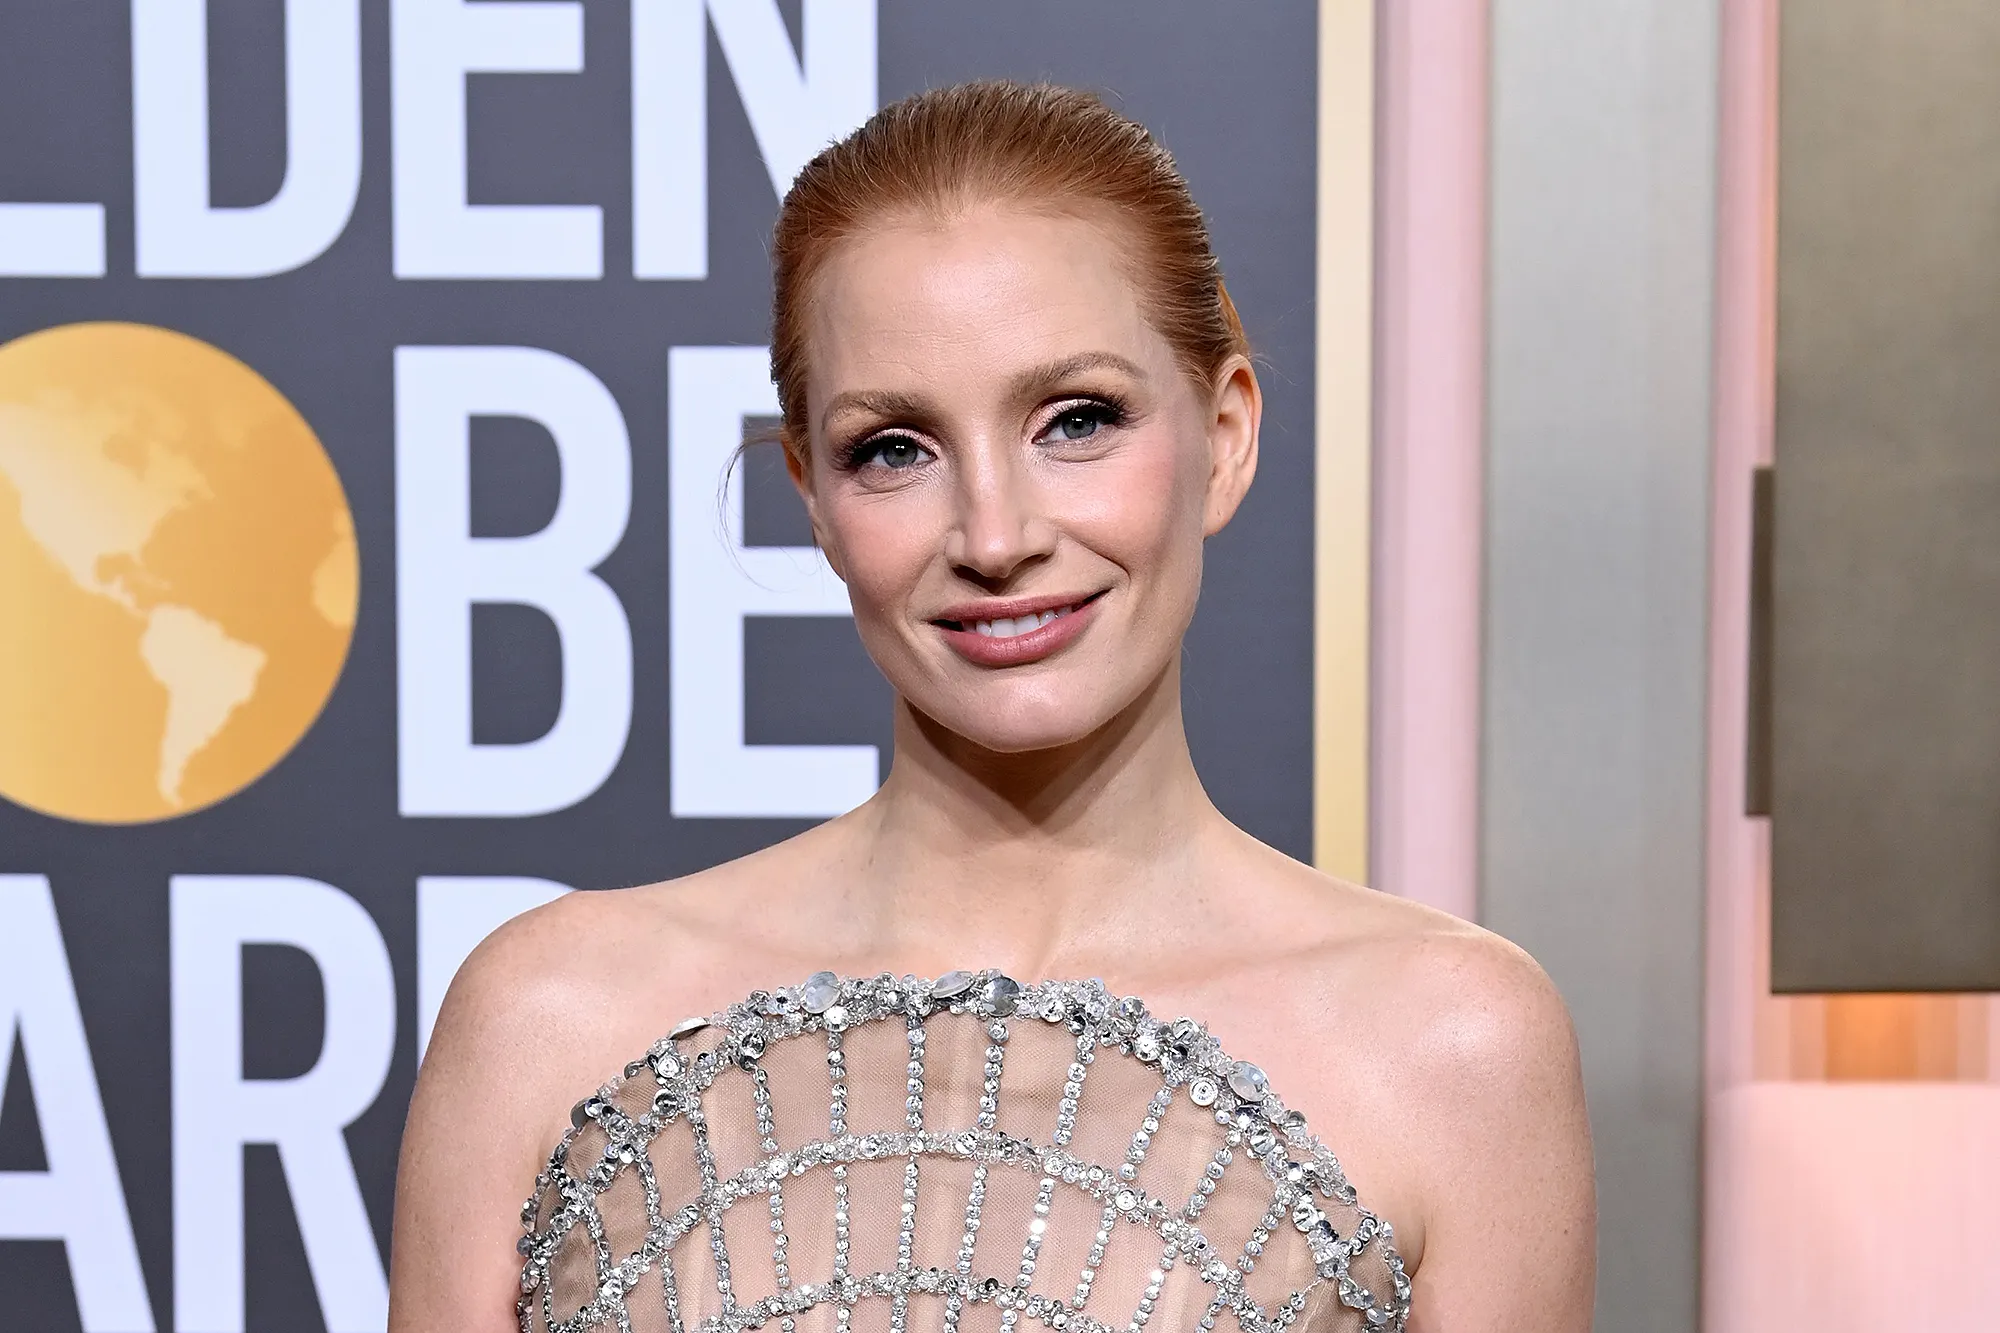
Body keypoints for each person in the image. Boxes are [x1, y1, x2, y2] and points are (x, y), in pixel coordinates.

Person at [388, 81, 1594, 1333]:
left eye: (1076, 421)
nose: (995, 535)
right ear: (810, 490)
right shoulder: (547, 1023)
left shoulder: (1451, 1046)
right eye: (893, 448)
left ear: (1224, 434)